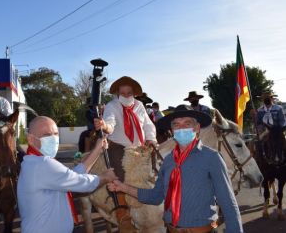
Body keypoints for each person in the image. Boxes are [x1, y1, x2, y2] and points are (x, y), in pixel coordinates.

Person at [108, 104, 243, 233]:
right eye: (176, 125)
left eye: (187, 124)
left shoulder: (212, 158)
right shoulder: (168, 161)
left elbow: (228, 203)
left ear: (196, 128)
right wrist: (123, 187)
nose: (181, 128)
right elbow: (155, 196)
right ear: (172, 131)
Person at [17, 116, 117, 233]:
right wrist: (105, 177)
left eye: (55, 133)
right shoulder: (42, 164)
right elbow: (81, 183)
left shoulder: (33, 162)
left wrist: (97, 150)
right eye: (47, 135)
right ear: (30, 139)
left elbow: (71, 176)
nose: (53, 138)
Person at [94, 76, 156, 230]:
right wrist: (105, 125)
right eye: (123, 93)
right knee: (118, 172)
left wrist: (152, 139)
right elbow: (110, 123)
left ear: (134, 93)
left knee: (160, 164)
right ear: (118, 94)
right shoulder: (112, 105)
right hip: (119, 146)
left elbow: (148, 125)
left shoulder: (140, 105)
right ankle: (123, 214)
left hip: (140, 147)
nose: (127, 95)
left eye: (129, 93)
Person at [256, 91, 286, 162]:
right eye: (264, 98)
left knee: (283, 140)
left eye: (268, 97)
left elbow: (282, 121)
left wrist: (280, 128)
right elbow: (258, 122)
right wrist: (261, 129)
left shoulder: (278, 108)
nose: (266, 99)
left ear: (272, 98)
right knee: (255, 143)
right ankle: (258, 159)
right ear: (262, 99)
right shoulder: (259, 110)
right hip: (265, 130)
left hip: (277, 130)